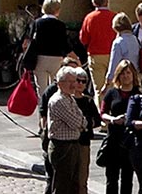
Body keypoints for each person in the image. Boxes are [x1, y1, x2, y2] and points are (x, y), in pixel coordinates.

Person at [44, 66, 99, 194]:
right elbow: (77, 122)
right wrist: (84, 123)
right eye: (70, 81)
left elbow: (81, 118)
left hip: (73, 144)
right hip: (62, 146)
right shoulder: (59, 100)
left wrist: (84, 122)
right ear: (60, 83)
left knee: (74, 184)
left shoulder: (70, 98)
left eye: (75, 81)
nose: (74, 85)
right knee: (62, 185)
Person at [100, 61, 142, 194]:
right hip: (114, 139)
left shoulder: (139, 94)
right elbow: (102, 113)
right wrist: (113, 119)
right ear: (118, 76)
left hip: (131, 141)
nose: (126, 76)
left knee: (127, 177)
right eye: (122, 73)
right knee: (111, 178)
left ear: (133, 74)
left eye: (128, 73)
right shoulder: (112, 93)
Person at [26, 0, 78, 109]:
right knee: (57, 86)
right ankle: (54, 111)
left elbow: (29, 41)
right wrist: (75, 57)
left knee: (41, 90)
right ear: (57, 9)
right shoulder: (60, 25)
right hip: (56, 59)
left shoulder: (37, 23)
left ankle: (42, 116)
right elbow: (65, 45)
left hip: (40, 59)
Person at [80, 0, 117, 89]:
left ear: (93, 3)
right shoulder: (114, 17)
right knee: (113, 86)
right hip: (113, 54)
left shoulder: (89, 18)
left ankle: (100, 104)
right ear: (107, 1)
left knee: (99, 88)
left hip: (95, 55)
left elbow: (84, 39)